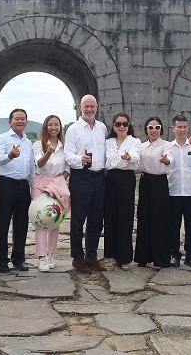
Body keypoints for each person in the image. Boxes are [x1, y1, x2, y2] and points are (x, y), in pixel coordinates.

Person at [64, 94, 109, 274]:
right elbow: (68, 154)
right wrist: (79, 159)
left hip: (99, 176)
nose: (89, 109)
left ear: (97, 107)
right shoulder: (73, 129)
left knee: (97, 219)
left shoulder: (102, 128)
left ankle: (91, 255)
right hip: (81, 176)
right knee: (78, 218)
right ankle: (77, 256)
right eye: (86, 106)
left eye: (92, 106)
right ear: (79, 107)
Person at [0, 108, 35, 273]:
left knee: (21, 224)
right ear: (10, 121)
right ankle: (2, 260)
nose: (20, 121)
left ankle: (19, 258)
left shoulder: (27, 141)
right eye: (17, 118)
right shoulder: (2, 139)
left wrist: (32, 186)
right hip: (6, 184)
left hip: (23, 185)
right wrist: (10, 155)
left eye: (23, 118)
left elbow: (31, 166)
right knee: (3, 223)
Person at [31, 115, 70, 272]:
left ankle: (51, 254)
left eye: (56, 125)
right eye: (50, 125)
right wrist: (48, 152)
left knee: (55, 222)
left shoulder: (65, 146)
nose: (53, 128)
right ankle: (41, 258)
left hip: (57, 183)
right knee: (41, 220)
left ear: (60, 127)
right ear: (45, 127)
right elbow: (39, 163)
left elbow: (68, 169)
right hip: (40, 183)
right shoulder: (37, 145)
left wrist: (59, 182)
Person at [134, 116, 174, 269]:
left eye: (157, 127)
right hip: (145, 182)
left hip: (160, 183)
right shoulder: (142, 146)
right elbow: (137, 165)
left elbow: (170, 158)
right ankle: (143, 257)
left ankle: (161, 258)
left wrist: (166, 160)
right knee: (144, 218)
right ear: (146, 130)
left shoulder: (166, 145)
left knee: (160, 221)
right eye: (150, 128)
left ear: (161, 130)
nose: (154, 130)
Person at [103, 112, 141, 271]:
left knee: (125, 216)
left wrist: (127, 157)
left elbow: (136, 157)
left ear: (128, 125)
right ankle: (114, 255)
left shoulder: (134, 141)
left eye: (124, 124)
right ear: (113, 126)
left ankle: (125, 257)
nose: (121, 127)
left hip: (126, 179)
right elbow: (107, 161)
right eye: (118, 124)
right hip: (110, 179)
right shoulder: (108, 142)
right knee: (111, 216)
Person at [167, 114, 191, 269]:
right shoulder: (168, 147)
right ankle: (174, 254)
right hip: (174, 191)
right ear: (173, 128)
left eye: (185, 127)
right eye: (179, 127)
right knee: (174, 226)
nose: (182, 130)